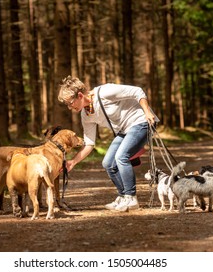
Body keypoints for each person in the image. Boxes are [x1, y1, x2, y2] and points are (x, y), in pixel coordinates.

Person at [58, 76, 157, 212]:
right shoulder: (86, 115)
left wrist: (147, 112)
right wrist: (72, 162)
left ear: (80, 95)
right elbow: (89, 143)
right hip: (124, 131)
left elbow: (137, 91)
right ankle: (123, 196)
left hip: (140, 121)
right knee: (108, 163)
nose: (70, 107)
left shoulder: (104, 92)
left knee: (121, 157)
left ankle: (131, 198)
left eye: (70, 103)